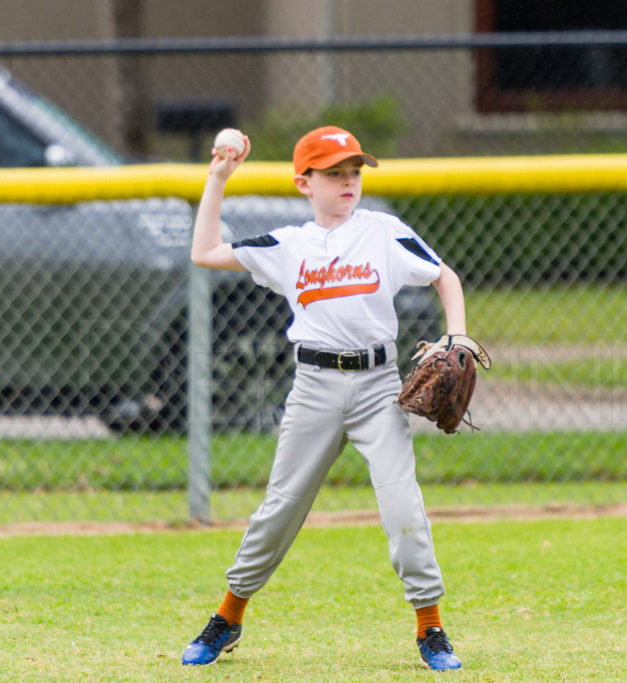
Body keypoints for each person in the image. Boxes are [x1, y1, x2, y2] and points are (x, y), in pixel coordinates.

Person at [181, 125, 467, 671]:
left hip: (378, 387)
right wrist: (217, 178)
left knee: (403, 504)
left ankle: (430, 628)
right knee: (280, 508)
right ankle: (229, 615)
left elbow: (444, 277)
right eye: (333, 173)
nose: (347, 181)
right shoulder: (288, 246)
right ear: (303, 182)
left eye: (354, 171)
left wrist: (454, 335)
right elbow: (205, 252)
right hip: (312, 389)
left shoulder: (384, 232)